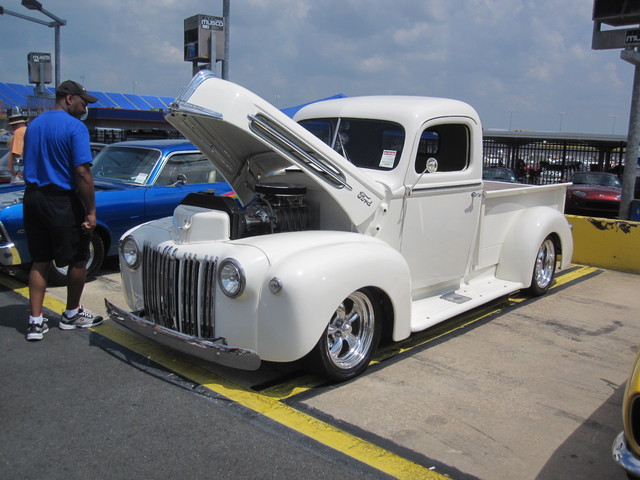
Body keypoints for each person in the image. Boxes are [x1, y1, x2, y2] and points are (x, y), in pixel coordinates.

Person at [22, 80, 104, 341]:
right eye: (82, 103)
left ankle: (35, 322)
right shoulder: (75, 128)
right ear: (69, 99)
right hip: (61, 200)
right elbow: (82, 172)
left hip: (33, 198)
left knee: (40, 260)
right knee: (79, 258)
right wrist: (91, 211)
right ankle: (71, 314)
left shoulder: (33, 126)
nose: (84, 109)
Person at [7, 108, 27, 183]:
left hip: (20, 177)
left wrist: (18, 174)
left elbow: (18, 155)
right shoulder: (26, 130)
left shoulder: (18, 133)